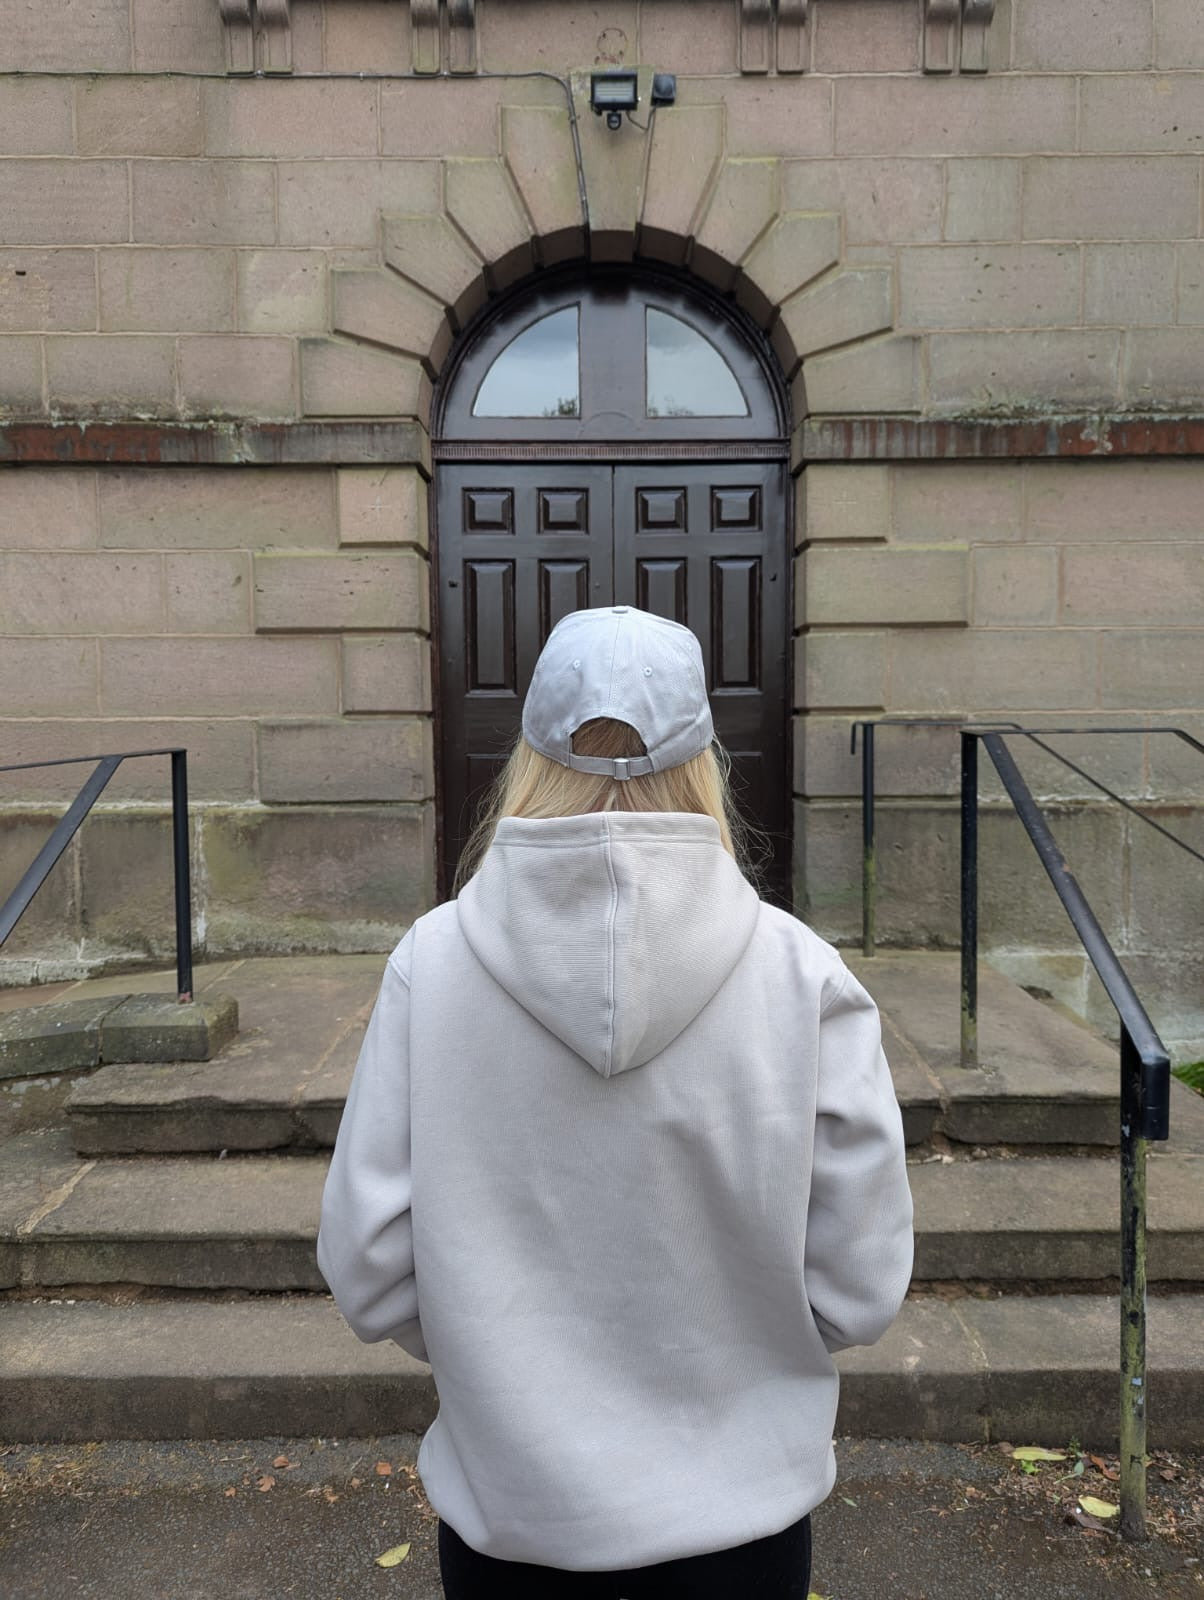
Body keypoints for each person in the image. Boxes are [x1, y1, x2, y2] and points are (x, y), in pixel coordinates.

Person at [316, 604, 914, 1599]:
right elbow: (859, 1284)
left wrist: (486, 1335)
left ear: (532, 754)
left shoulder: (433, 967)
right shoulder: (801, 977)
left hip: (514, 1524)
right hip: (744, 1527)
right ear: (702, 759)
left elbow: (366, 1266)